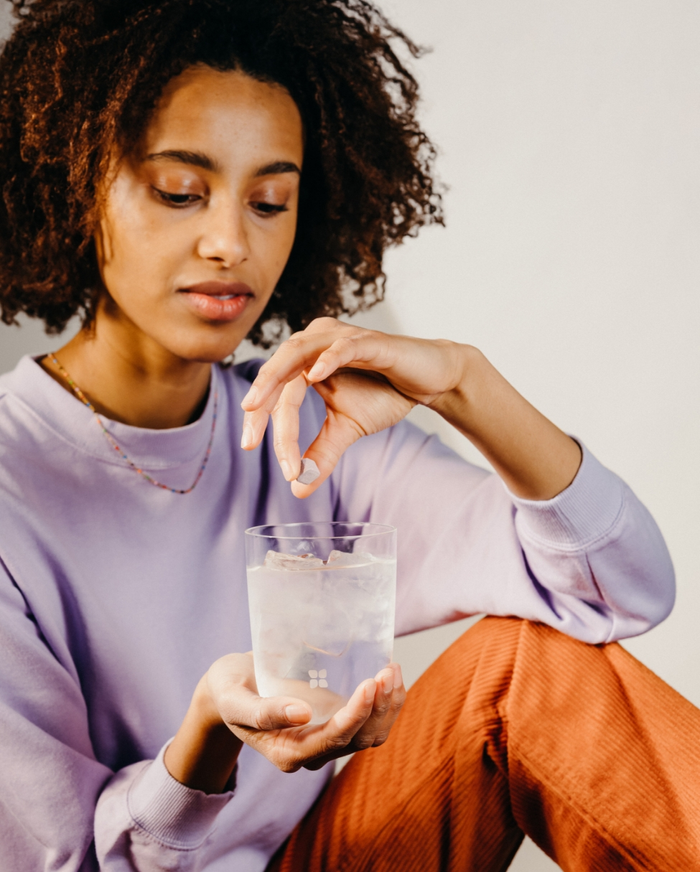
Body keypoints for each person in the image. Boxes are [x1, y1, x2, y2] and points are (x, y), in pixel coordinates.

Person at [0, 1, 698, 870]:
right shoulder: (12, 482)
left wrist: (466, 384)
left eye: (270, 200)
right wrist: (209, 736)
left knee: (524, 666)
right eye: (180, 191)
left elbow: (618, 592)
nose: (230, 241)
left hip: (338, 853)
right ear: (73, 182)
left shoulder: (313, 425)